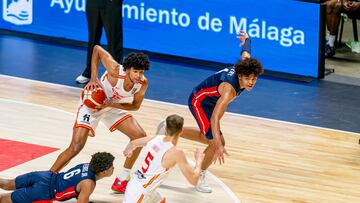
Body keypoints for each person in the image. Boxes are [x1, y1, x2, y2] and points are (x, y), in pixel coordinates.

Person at [157, 31, 263, 193]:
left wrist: (247, 39)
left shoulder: (246, 65)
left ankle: (168, 128)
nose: (251, 82)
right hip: (199, 102)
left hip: (213, 101)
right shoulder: (229, 90)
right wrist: (218, 143)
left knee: (206, 136)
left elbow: (246, 52)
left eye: (254, 79)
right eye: (248, 79)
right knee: (214, 141)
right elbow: (214, 117)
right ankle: (199, 175)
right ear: (240, 76)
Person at [50, 45, 150, 194]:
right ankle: (47, 178)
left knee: (140, 137)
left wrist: (111, 104)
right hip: (93, 105)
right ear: (127, 69)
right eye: (135, 71)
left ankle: (122, 179)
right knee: (76, 147)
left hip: (112, 106)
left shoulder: (142, 83)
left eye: (141, 72)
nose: (138, 75)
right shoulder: (115, 69)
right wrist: (93, 78)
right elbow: (96, 49)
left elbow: (135, 106)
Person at [122, 114, 205, 203]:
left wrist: (128, 151)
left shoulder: (156, 138)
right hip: (140, 193)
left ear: (165, 129)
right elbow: (193, 180)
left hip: (139, 185)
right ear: (181, 131)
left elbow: (133, 143)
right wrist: (199, 160)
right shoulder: (177, 153)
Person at [0, 152, 114, 203]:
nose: (113, 168)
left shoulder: (87, 165)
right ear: (104, 172)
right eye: (111, 166)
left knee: (7, 183)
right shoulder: (89, 184)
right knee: (4, 199)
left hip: (44, 176)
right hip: (44, 191)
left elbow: (73, 185)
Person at [76, 0, 123, 84]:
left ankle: (116, 75)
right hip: (93, 2)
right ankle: (89, 72)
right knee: (93, 37)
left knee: (114, 38)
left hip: (111, 3)